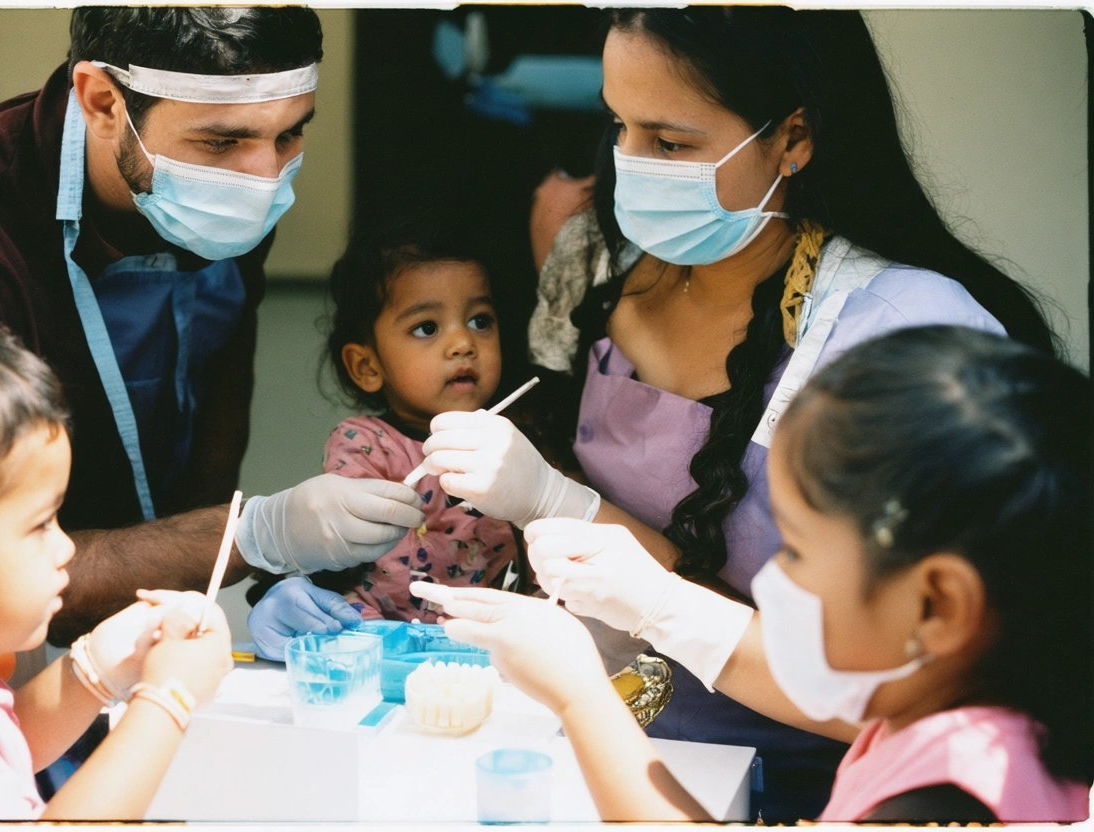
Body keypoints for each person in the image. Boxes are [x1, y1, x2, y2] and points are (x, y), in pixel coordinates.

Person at [415, 7, 1056, 819]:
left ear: (793, 137)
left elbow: (919, 685)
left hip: (801, 784)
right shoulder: (605, 263)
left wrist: (631, 586)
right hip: (599, 744)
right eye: (618, 124)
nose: (630, 165)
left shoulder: (899, 332)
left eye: (671, 142)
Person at [0, 7, 424, 646]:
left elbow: (218, 369)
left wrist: (236, 567)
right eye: (222, 141)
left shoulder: (228, 188)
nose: (264, 179)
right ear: (103, 101)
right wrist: (255, 535)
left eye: (290, 134)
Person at [413, 325, 1092, 823]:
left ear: (938, 606)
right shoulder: (960, 726)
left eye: (794, 552)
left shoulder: (948, 804)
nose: (772, 583)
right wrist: (655, 601)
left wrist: (580, 696)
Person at [0, 323, 235, 820]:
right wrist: (167, 700)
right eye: (40, 525)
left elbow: (5, 746)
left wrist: (97, 666)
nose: (66, 547)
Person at [247, 214, 526, 656]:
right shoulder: (365, 443)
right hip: (375, 646)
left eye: (479, 320)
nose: (462, 343)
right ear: (368, 367)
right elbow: (337, 549)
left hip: (488, 654)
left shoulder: (517, 443)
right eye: (427, 328)